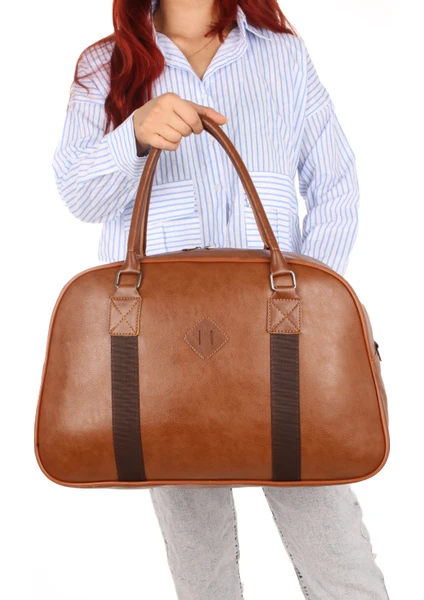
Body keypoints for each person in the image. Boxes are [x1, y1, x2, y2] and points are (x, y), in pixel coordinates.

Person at [52, 0, 390, 598]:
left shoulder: (283, 56)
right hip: (161, 355)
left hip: (279, 343)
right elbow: (79, 195)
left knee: (338, 556)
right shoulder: (105, 65)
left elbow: (337, 183)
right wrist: (134, 134)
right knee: (200, 567)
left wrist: (310, 305)